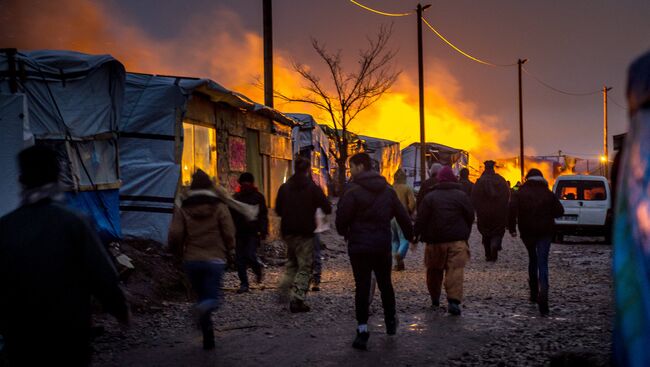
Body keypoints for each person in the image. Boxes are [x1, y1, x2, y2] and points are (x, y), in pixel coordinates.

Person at [0, 145, 129, 366]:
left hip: (20, 337)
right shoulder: (75, 222)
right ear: (58, 177)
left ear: (21, 180)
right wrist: (119, 308)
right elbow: (101, 273)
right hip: (68, 333)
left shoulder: (6, 226)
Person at [336, 153, 414, 350]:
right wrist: (412, 236)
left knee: (362, 287)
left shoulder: (352, 191)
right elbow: (403, 217)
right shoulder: (387, 191)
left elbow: (341, 221)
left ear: (361, 167)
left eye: (351, 167)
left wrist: (346, 232)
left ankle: (362, 330)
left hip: (359, 248)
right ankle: (390, 322)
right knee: (385, 284)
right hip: (381, 246)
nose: (350, 171)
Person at [168, 169, 236, 350]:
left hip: (192, 260)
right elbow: (229, 233)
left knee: (200, 296)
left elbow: (175, 234)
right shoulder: (219, 207)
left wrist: (177, 252)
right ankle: (204, 309)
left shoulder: (184, 208)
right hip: (215, 259)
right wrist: (230, 249)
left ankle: (208, 336)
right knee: (213, 298)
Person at [415, 166, 474, 316]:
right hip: (457, 240)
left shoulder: (430, 197)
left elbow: (421, 218)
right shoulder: (461, 196)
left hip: (435, 241)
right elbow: (470, 216)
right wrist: (465, 234)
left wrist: (416, 235)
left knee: (434, 271)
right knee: (455, 271)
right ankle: (453, 301)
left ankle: (435, 299)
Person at [275, 157, 331, 313]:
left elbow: (278, 210)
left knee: (291, 262)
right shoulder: (313, 188)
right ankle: (297, 299)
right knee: (305, 265)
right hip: (305, 233)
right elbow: (327, 207)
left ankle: (284, 286)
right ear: (308, 169)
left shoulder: (284, 188)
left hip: (288, 232)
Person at [508, 168, 564, 316]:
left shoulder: (520, 192)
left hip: (527, 232)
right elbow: (560, 211)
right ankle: (543, 293)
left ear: (527, 178)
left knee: (532, 259)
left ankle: (533, 293)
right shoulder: (548, 193)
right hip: (545, 232)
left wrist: (512, 228)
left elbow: (511, 209)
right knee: (543, 262)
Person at [231, 172, 268, 294]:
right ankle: (244, 284)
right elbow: (231, 215)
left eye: (247, 182)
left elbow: (263, 215)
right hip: (240, 232)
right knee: (240, 259)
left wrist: (262, 231)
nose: (245, 184)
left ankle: (257, 269)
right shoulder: (236, 198)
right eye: (244, 182)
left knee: (250, 255)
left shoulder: (258, 197)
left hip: (252, 232)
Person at [471, 160, 510, 262]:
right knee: (497, 231)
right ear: (493, 168)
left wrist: (477, 208)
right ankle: (495, 244)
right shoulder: (501, 180)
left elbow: (474, 197)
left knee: (485, 232)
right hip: (499, 212)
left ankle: (488, 254)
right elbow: (507, 195)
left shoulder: (479, 181)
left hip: (484, 212)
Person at [391, 168, 416, 271]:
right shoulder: (407, 188)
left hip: (391, 217)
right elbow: (412, 203)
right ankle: (400, 255)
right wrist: (410, 211)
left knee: (394, 240)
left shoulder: (391, 188)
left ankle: (396, 263)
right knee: (404, 239)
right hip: (403, 217)